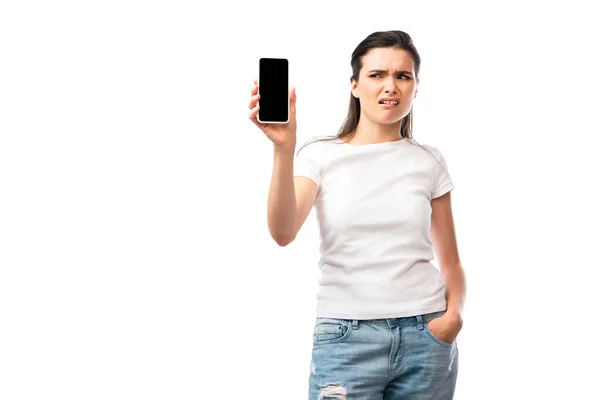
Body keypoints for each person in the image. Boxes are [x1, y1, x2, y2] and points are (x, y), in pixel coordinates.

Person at [248, 30, 466, 400]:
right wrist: (283, 149)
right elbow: (283, 232)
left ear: (415, 86)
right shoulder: (321, 156)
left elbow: (451, 261)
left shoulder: (428, 161)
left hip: (425, 336)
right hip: (347, 339)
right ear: (354, 85)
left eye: (403, 76)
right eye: (377, 75)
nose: (391, 86)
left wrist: (452, 319)